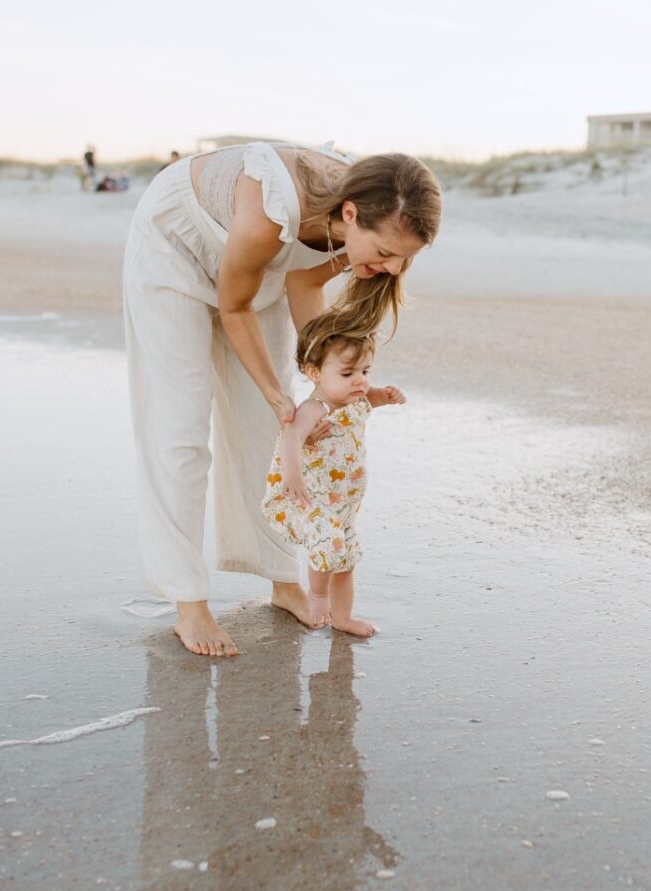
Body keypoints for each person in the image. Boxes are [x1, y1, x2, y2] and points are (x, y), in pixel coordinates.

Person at [121, 141, 441, 658]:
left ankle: (279, 577)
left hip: (253, 271)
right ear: (351, 215)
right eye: (383, 253)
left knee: (266, 431)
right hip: (175, 245)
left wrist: (322, 386)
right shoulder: (273, 207)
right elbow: (235, 305)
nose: (390, 268)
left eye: (403, 259)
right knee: (179, 432)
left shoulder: (369, 218)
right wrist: (275, 393)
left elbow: (302, 278)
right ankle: (188, 599)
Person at [261, 316, 406, 638]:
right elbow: (291, 437)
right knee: (328, 545)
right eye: (347, 373)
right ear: (314, 373)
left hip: (344, 502)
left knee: (346, 560)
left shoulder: (355, 398)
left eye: (365, 372)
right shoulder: (316, 408)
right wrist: (293, 476)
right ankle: (317, 596)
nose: (360, 381)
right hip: (315, 499)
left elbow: (374, 397)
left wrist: (389, 395)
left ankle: (343, 618)